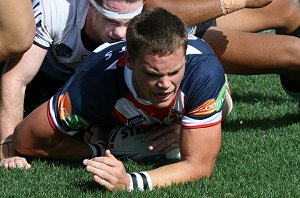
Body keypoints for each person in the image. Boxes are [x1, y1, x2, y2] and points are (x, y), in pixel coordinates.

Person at [8, 8, 225, 191]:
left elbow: (199, 165)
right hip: (110, 108)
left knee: (219, 109)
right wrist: (95, 151)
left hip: (196, 94)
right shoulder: (92, 84)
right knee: (136, 145)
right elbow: (25, 139)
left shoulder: (204, 72)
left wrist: (129, 182)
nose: (165, 84)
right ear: (129, 61)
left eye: (174, 72)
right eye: (153, 74)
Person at [0, 0, 145, 167]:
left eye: (131, 22)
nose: (121, 33)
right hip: (43, 76)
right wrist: (8, 145)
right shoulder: (55, 9)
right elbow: (16, 78)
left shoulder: (150, 18)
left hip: (94, 83)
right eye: (111, 20)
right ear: (91, 5)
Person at [145, 0, 300, 108]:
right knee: (297, 53)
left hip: (189, 19)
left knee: (288, 9)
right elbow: (153, 11)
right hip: (169, 34)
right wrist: (237, 2)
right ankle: (204, 80)